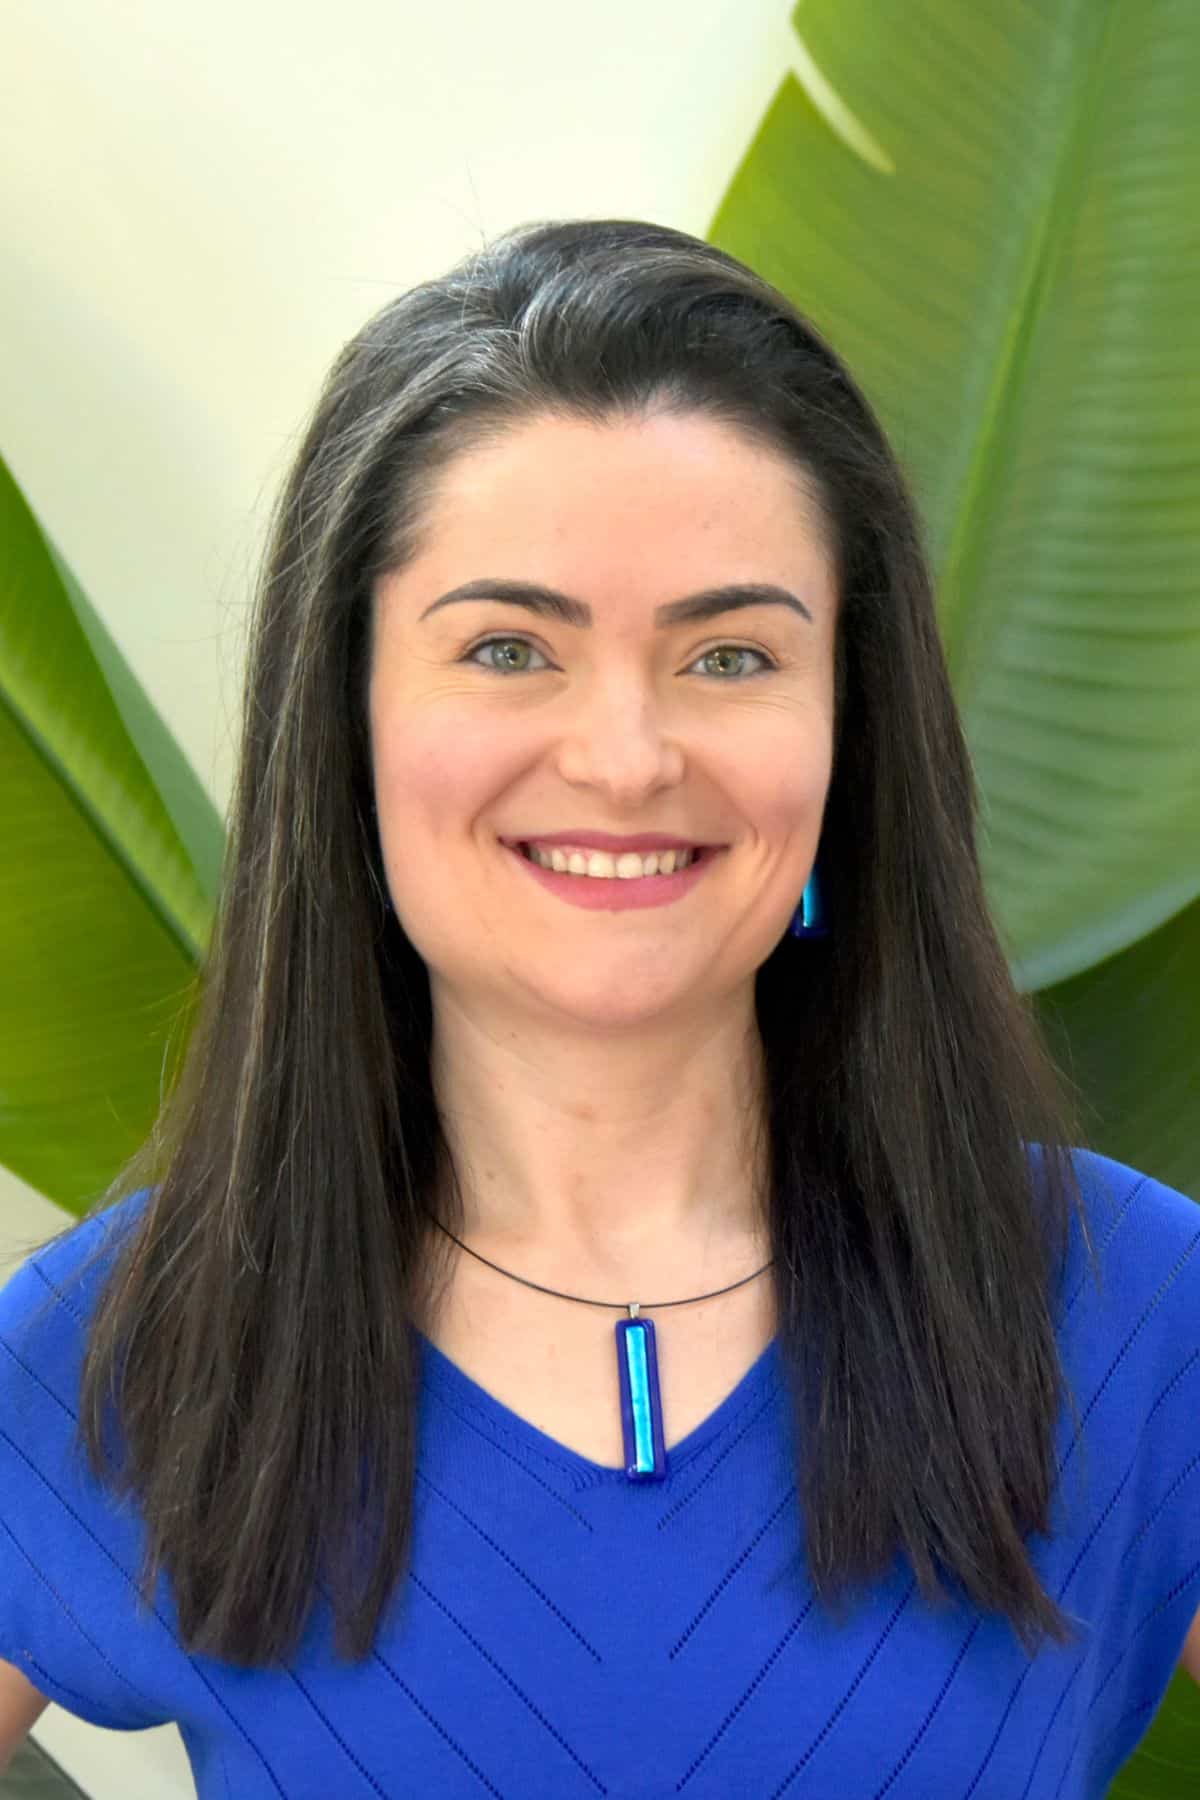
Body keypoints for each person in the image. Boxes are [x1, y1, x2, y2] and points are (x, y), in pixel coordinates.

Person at [0, 218, 1197, 1799]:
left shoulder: (1136, 1314)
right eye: (509, 648)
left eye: (729, 655)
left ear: (849, 729)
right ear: (345, 721)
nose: (627, 756)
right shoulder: (120, 1355)